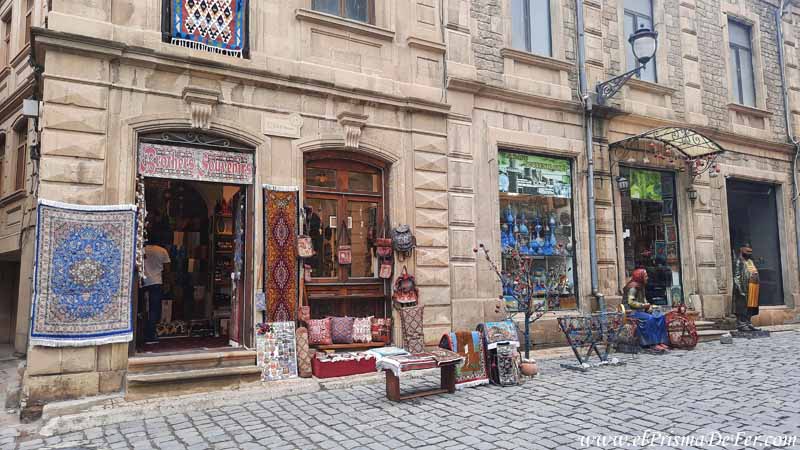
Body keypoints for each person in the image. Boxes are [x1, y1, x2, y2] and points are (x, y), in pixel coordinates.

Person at [623, 268, 669, 351]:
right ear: (640, 277)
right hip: (632, 312)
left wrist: (650, 307)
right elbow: (631, 302)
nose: (647, 278)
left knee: (660, 316)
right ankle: (652, 343)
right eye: (645, 276)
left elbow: (644, 300)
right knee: (650, 319)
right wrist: (644, 305)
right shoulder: (633, 288)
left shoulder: (641, 286)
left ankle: (660, 341)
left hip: (641, 310)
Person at [141, 234, 171, 344]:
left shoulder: (142, 250)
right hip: (157, 282)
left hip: (143, 282)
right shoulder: (162, 251)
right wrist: (168, 283)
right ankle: (151, 334)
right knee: (154, 309)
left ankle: (142, 332)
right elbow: (167, 270)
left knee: (143, 308)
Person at [733, 245, 760, 332]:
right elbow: (736, 276)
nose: (749, 253)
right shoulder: (739, 261)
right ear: (741, 250)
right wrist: (740, 289)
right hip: (744, 288)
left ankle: (748, 322)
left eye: (750, 252)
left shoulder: (750, 261)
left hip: (753, 287)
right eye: (747, 251)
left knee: (751, 306)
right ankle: (742, 324)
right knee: (743, 307)